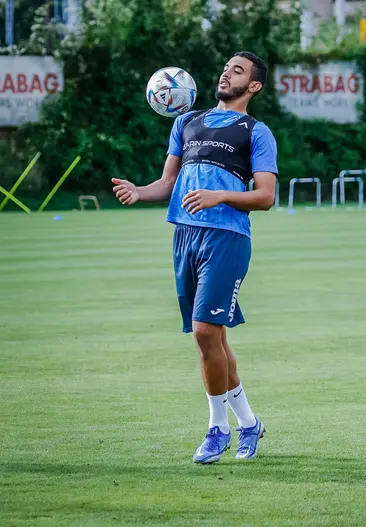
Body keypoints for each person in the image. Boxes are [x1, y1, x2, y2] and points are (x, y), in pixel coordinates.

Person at [112, 52, 278, 464]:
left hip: (227, 237)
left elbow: (266, 196)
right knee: (213, 338)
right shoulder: (186, 121)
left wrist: (220, 195)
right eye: (226, 67)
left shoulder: (256, 132)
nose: (226, 73)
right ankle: (249, 424)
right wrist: (139, 192)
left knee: (205, 332)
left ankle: (217, 429)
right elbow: (167, 183)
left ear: (253, 86)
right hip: (184, 235)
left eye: (237, 70)